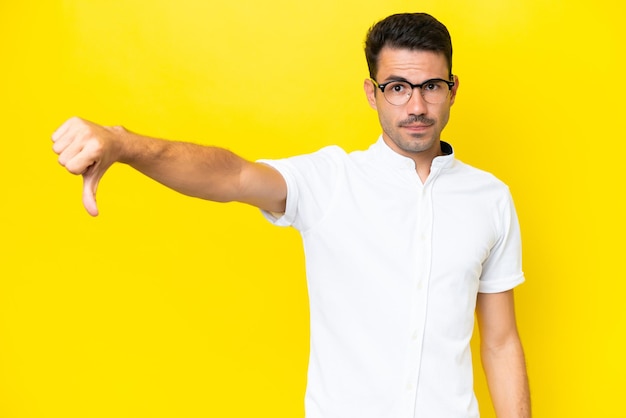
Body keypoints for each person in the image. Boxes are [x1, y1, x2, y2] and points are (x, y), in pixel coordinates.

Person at [52, 12, 530, 418]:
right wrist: (125, 144)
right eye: (398, 87)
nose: (417, 105)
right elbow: (233, 176)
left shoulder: (489, 198)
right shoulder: (330, 181)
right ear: (372, 92)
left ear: (453, 88)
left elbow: (501, 342)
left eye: (432, 86)